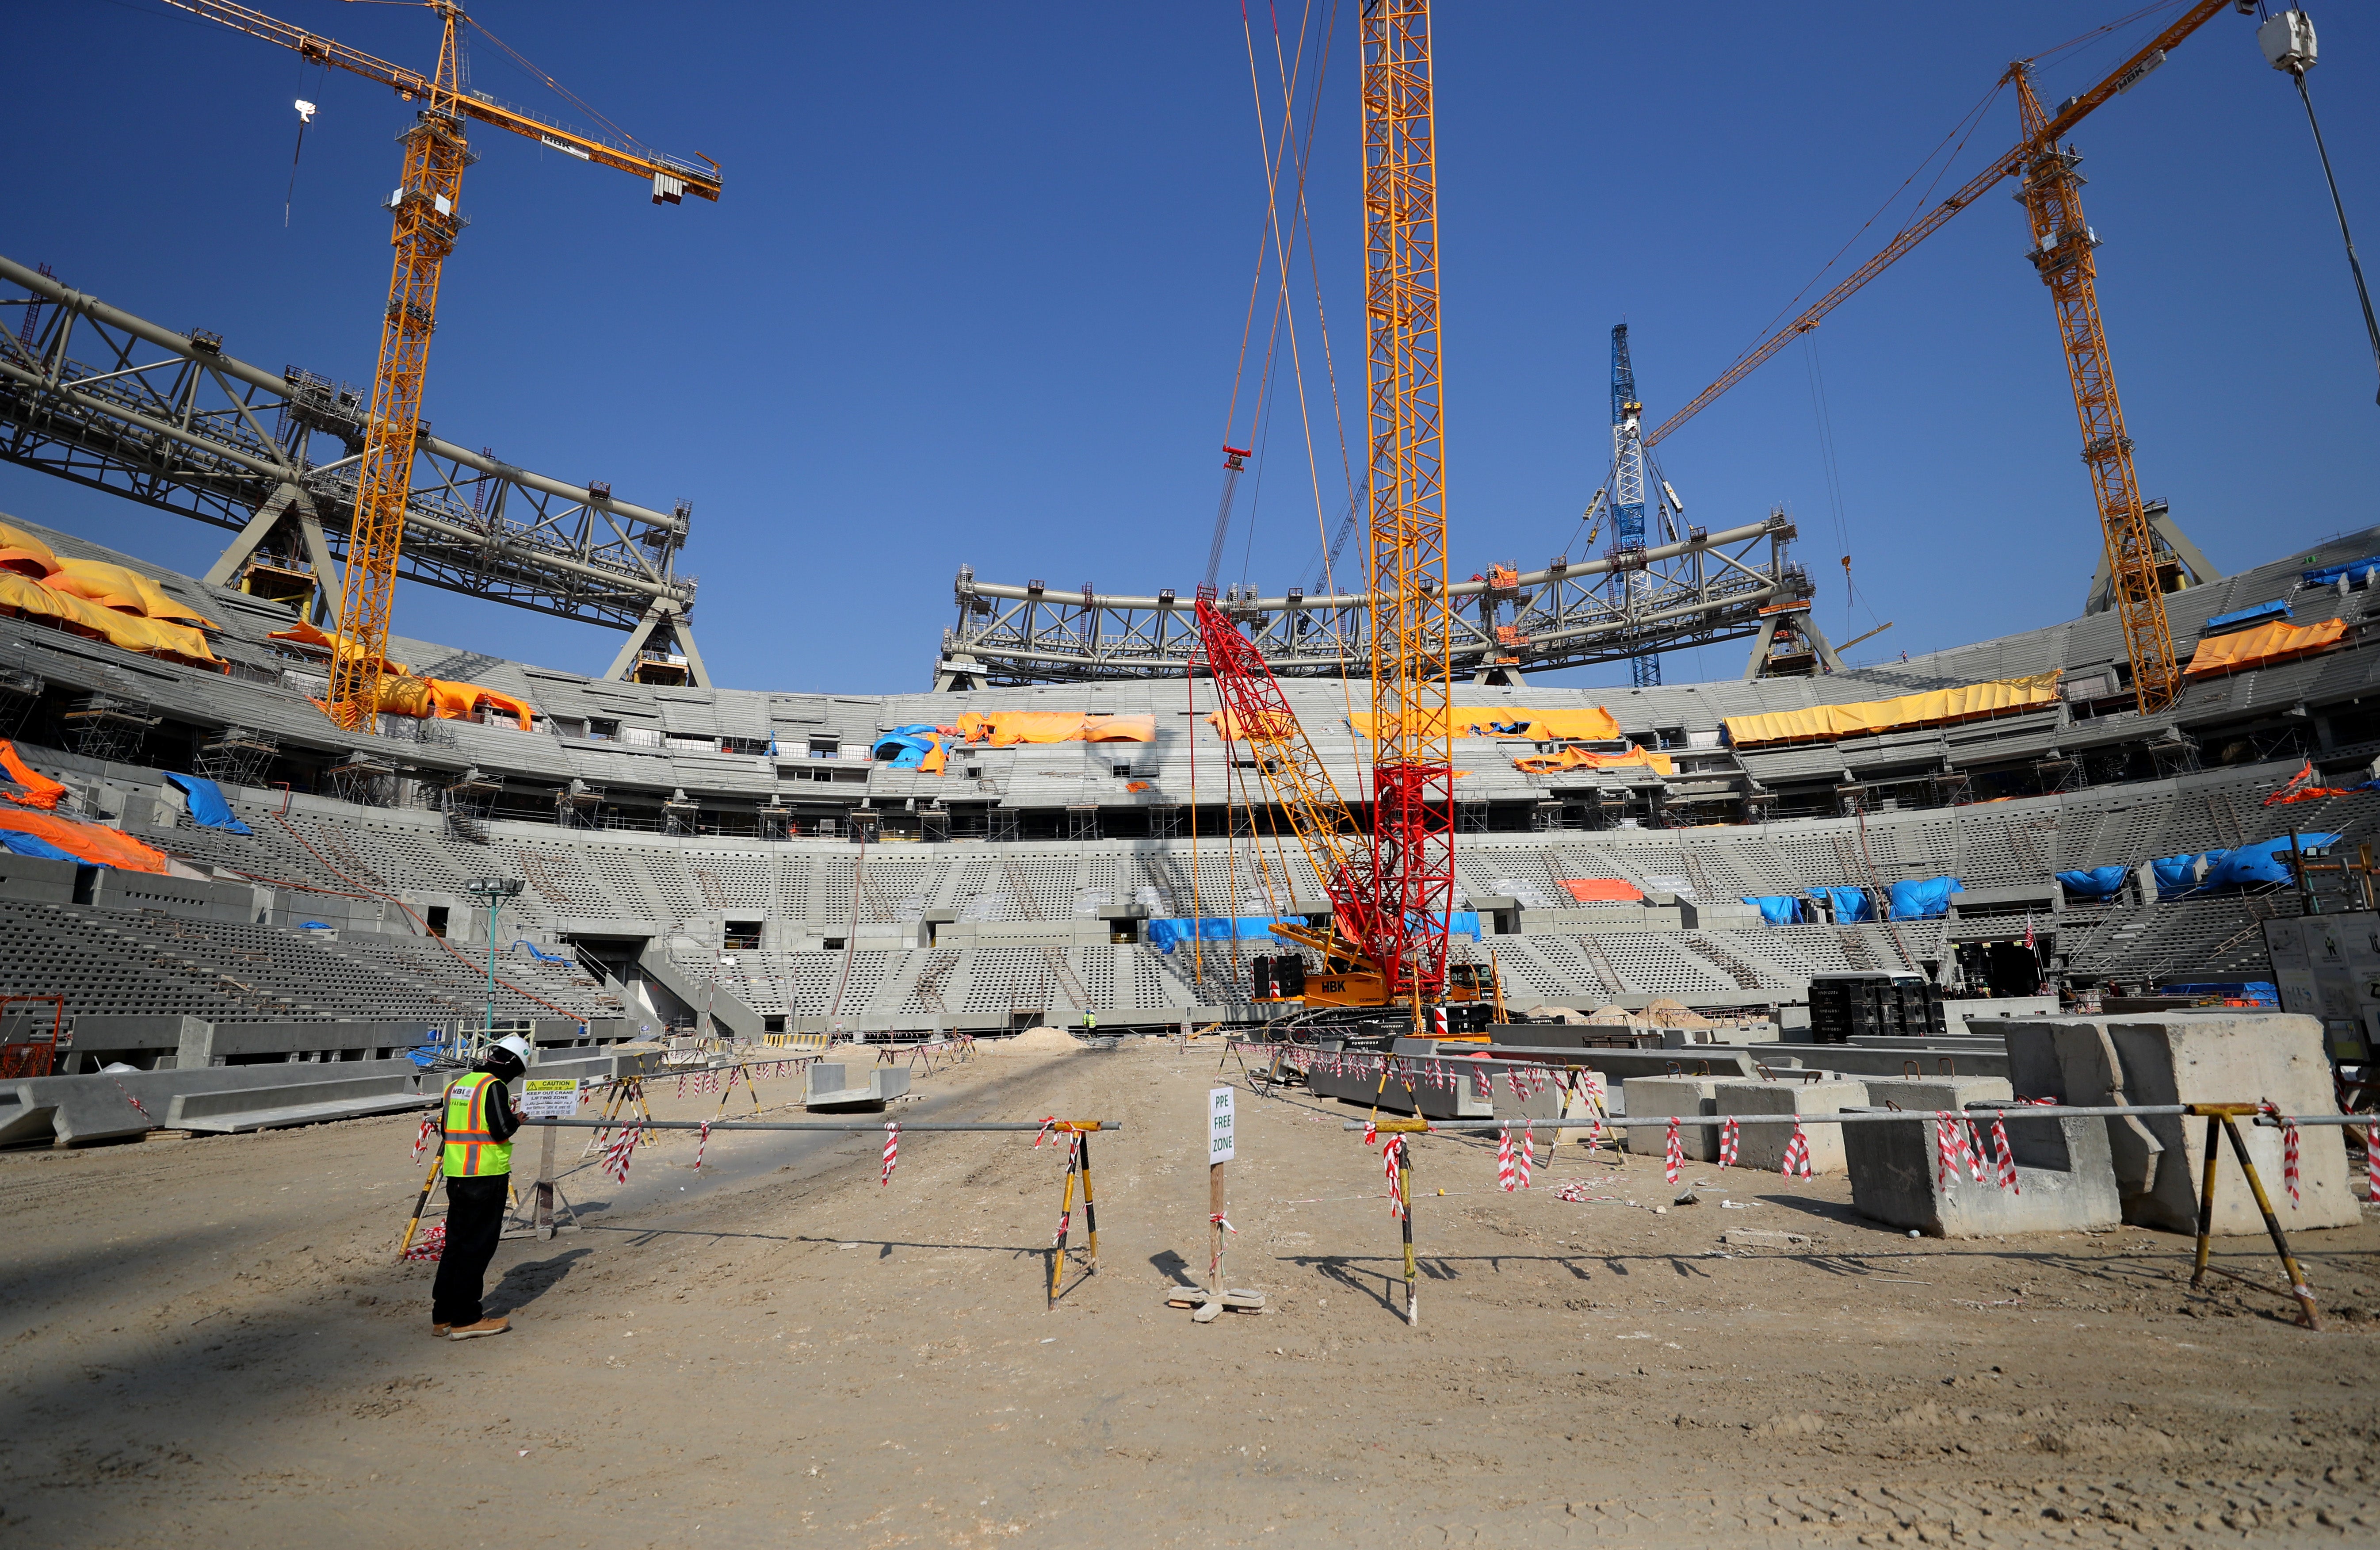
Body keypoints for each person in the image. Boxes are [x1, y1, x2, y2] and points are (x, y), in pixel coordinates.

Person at [431, 1033, 530, 1340]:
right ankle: (466, 1318)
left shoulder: (457, 1085)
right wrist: (517, 1120)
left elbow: (447, 1127)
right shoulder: (493, 1087)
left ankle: (443, 1315)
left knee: (456, 1244)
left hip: (457, 1174)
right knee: (477, 1247)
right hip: (486, 1176)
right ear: (512, 1065)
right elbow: (500, 1130)